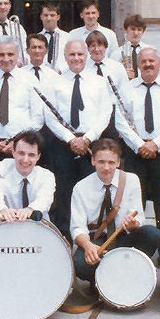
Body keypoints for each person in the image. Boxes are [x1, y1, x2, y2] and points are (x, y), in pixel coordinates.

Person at [70, 139, 160, 288]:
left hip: (123, 236)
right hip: (97, 239)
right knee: (80, 263)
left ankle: (130, 274)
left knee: (152, 234)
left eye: (111, 162)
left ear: (118, 162)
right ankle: (100, 282)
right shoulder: (81, 187)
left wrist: (133, 224)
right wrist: (88, 247)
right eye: (101, 162)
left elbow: (139, 217)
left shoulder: (131, 180)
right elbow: (77, 227)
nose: (106, 167)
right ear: (93, 161)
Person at [44, 39, 111, 237]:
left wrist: (88, 138)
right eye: (72, 55)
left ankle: (93, 234)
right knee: (64, 191)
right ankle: (65, 235)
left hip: (92, 143)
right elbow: (50, 116)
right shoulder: (54, 83)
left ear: (87, 55)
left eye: (80, 54)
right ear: (65, 57)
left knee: (93, 189)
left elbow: (105, 113)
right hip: (64, 144)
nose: (76, 58)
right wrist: (71, 139)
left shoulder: (99, 82)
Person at [114, 47, 160, 222]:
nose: (148, 64)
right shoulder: (126, 88)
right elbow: (120, 122)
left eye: (151, 60)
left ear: (159, 63)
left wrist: (155, 144)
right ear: (138, 64)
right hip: (135, 152)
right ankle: (138, 242)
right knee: (135, 200)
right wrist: (140, 145)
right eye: (143, 61)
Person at [0, 37, 44, 164]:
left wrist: (18, 141)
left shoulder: (30, 80)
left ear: (18, 55)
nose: (6, 59)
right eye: (1, 55)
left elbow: (37, 117)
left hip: (22, 149)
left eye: (10, 54)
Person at [0, 131, 55, 221]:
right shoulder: (0, 172)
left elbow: (45, 199)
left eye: (31, 155)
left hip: (39, 229)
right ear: (13, 152)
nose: (25, 160)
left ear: (38, 156)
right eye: (21, 153)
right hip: (7, 227)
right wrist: (2, 210)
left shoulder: (46, 176)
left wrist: (31, 209)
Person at [85, 30, 128, 140]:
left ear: (106, 47)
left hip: (113, 115)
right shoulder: (83, 68)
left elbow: (125, 95)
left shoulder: (117, 67)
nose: (96, 49)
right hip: (91, 114)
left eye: (100, 45)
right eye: (92, 46)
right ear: (88, 48)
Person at [0, 0, 28, 64]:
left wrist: (19, 63)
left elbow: (23, 50)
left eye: (6, 3)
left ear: (10, 5)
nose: (3, 7)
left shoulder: (18, 27)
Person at [118, 14, 152, 80]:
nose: (136, 33)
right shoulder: (117, 52)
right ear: (125, 30)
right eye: (132, 29)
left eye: (139, 30)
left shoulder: (150, 51)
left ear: (143, 32)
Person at [38, 1, 69, 72]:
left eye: (52, 15)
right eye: (46, 15)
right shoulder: (36, 39)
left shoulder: (68, 37)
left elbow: (72, 57)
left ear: (58, 17)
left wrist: (61, 70)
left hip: (62, 76)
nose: (49, 18)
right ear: (41, 17)